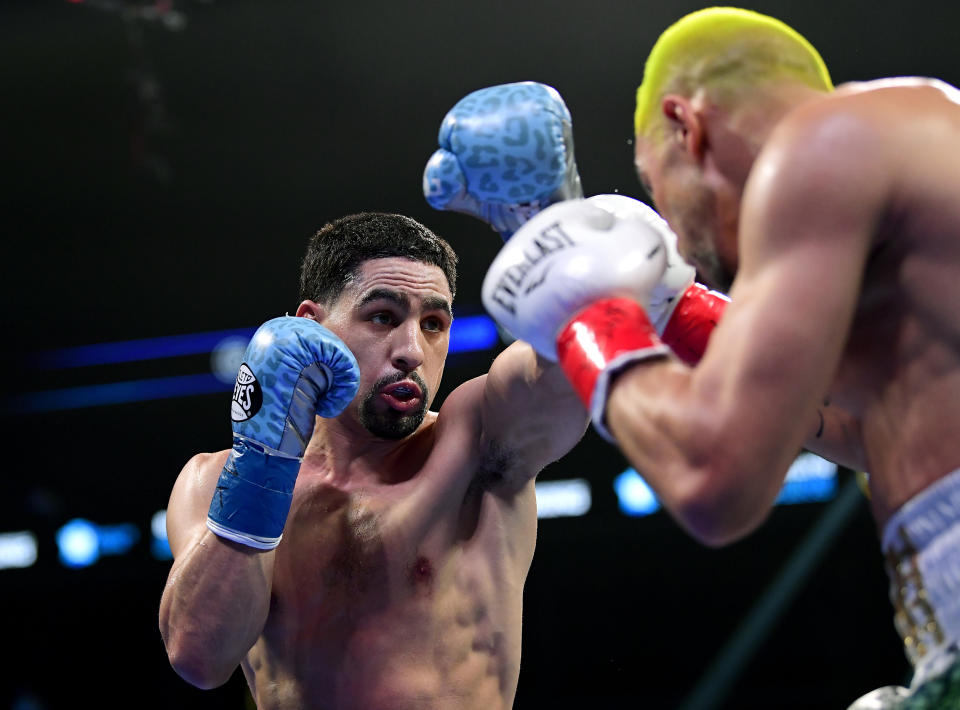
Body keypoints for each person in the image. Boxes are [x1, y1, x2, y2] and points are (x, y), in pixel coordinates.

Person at [476, 7, 960, 707]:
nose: (676, 232)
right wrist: (677, 312)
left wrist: (588, 316)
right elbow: (858, 428)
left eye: (657, 184)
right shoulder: (911, 162)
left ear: (687, 126)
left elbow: (714, 478)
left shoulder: (823, 143)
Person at [158, 211, 589, 709]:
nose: (411, 350)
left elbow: (555, 379)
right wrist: (263, 465)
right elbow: (199, 658)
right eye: (383, 316)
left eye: (433, 324)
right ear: (310, 327)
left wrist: (547, 223)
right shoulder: (212, 481)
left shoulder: (471, 444)